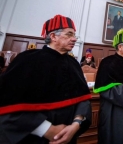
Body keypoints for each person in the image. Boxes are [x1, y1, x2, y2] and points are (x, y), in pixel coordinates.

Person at [0, 14, 92, 144]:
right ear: (53, 36)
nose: (74, 39)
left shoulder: (74, 64)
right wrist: (47, 130)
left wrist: (76, 124)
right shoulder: (27, 60)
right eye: (69, 34)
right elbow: (8, 105)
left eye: (74, 35)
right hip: (33, 137)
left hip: (70, 135)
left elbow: (83, 99)